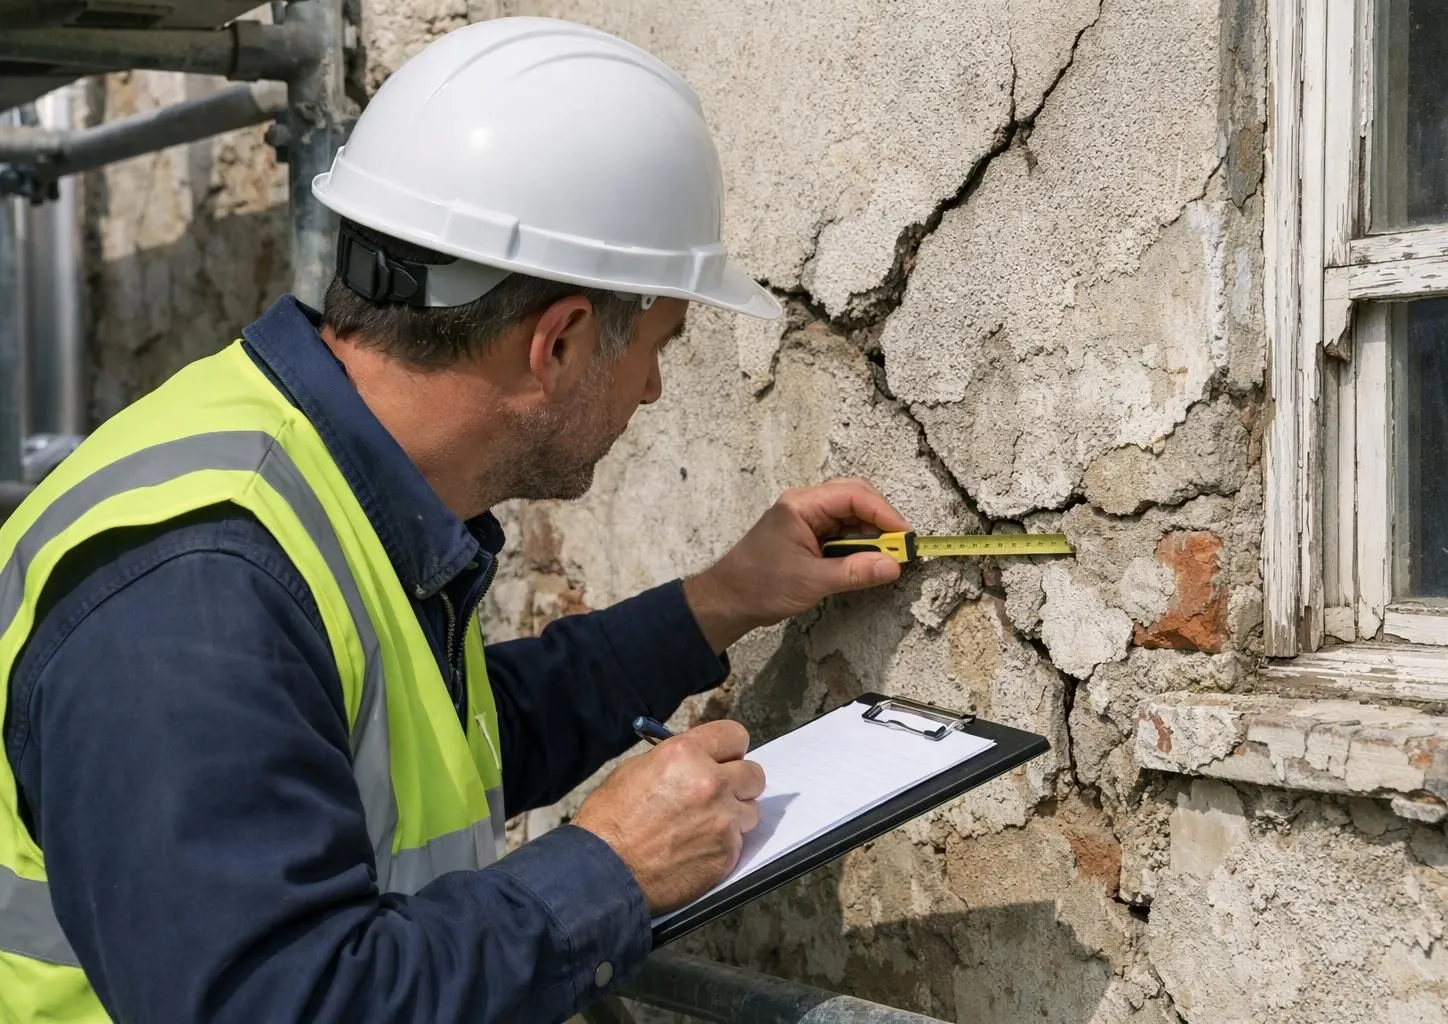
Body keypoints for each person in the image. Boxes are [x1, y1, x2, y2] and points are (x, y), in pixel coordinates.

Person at [0, 17, 911, 1024]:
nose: (653, 390)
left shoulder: (311, 476)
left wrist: (719, 602)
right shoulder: (197, 597)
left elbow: (442, 749)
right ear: (557, 343)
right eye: (658, 345)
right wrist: (609, 871)